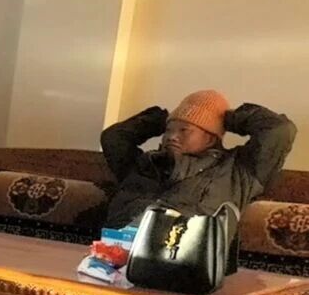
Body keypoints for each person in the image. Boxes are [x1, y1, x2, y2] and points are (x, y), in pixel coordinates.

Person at [101, 92, 296, 228]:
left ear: (210, 138)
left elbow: (279, 130)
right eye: (168, 130)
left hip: (180, 262)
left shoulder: (237, 171)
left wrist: (229, 119)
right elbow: (113, 138)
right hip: (111, 256)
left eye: (184, 130)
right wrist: (160, 119)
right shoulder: (145, 163)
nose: (172, 137)